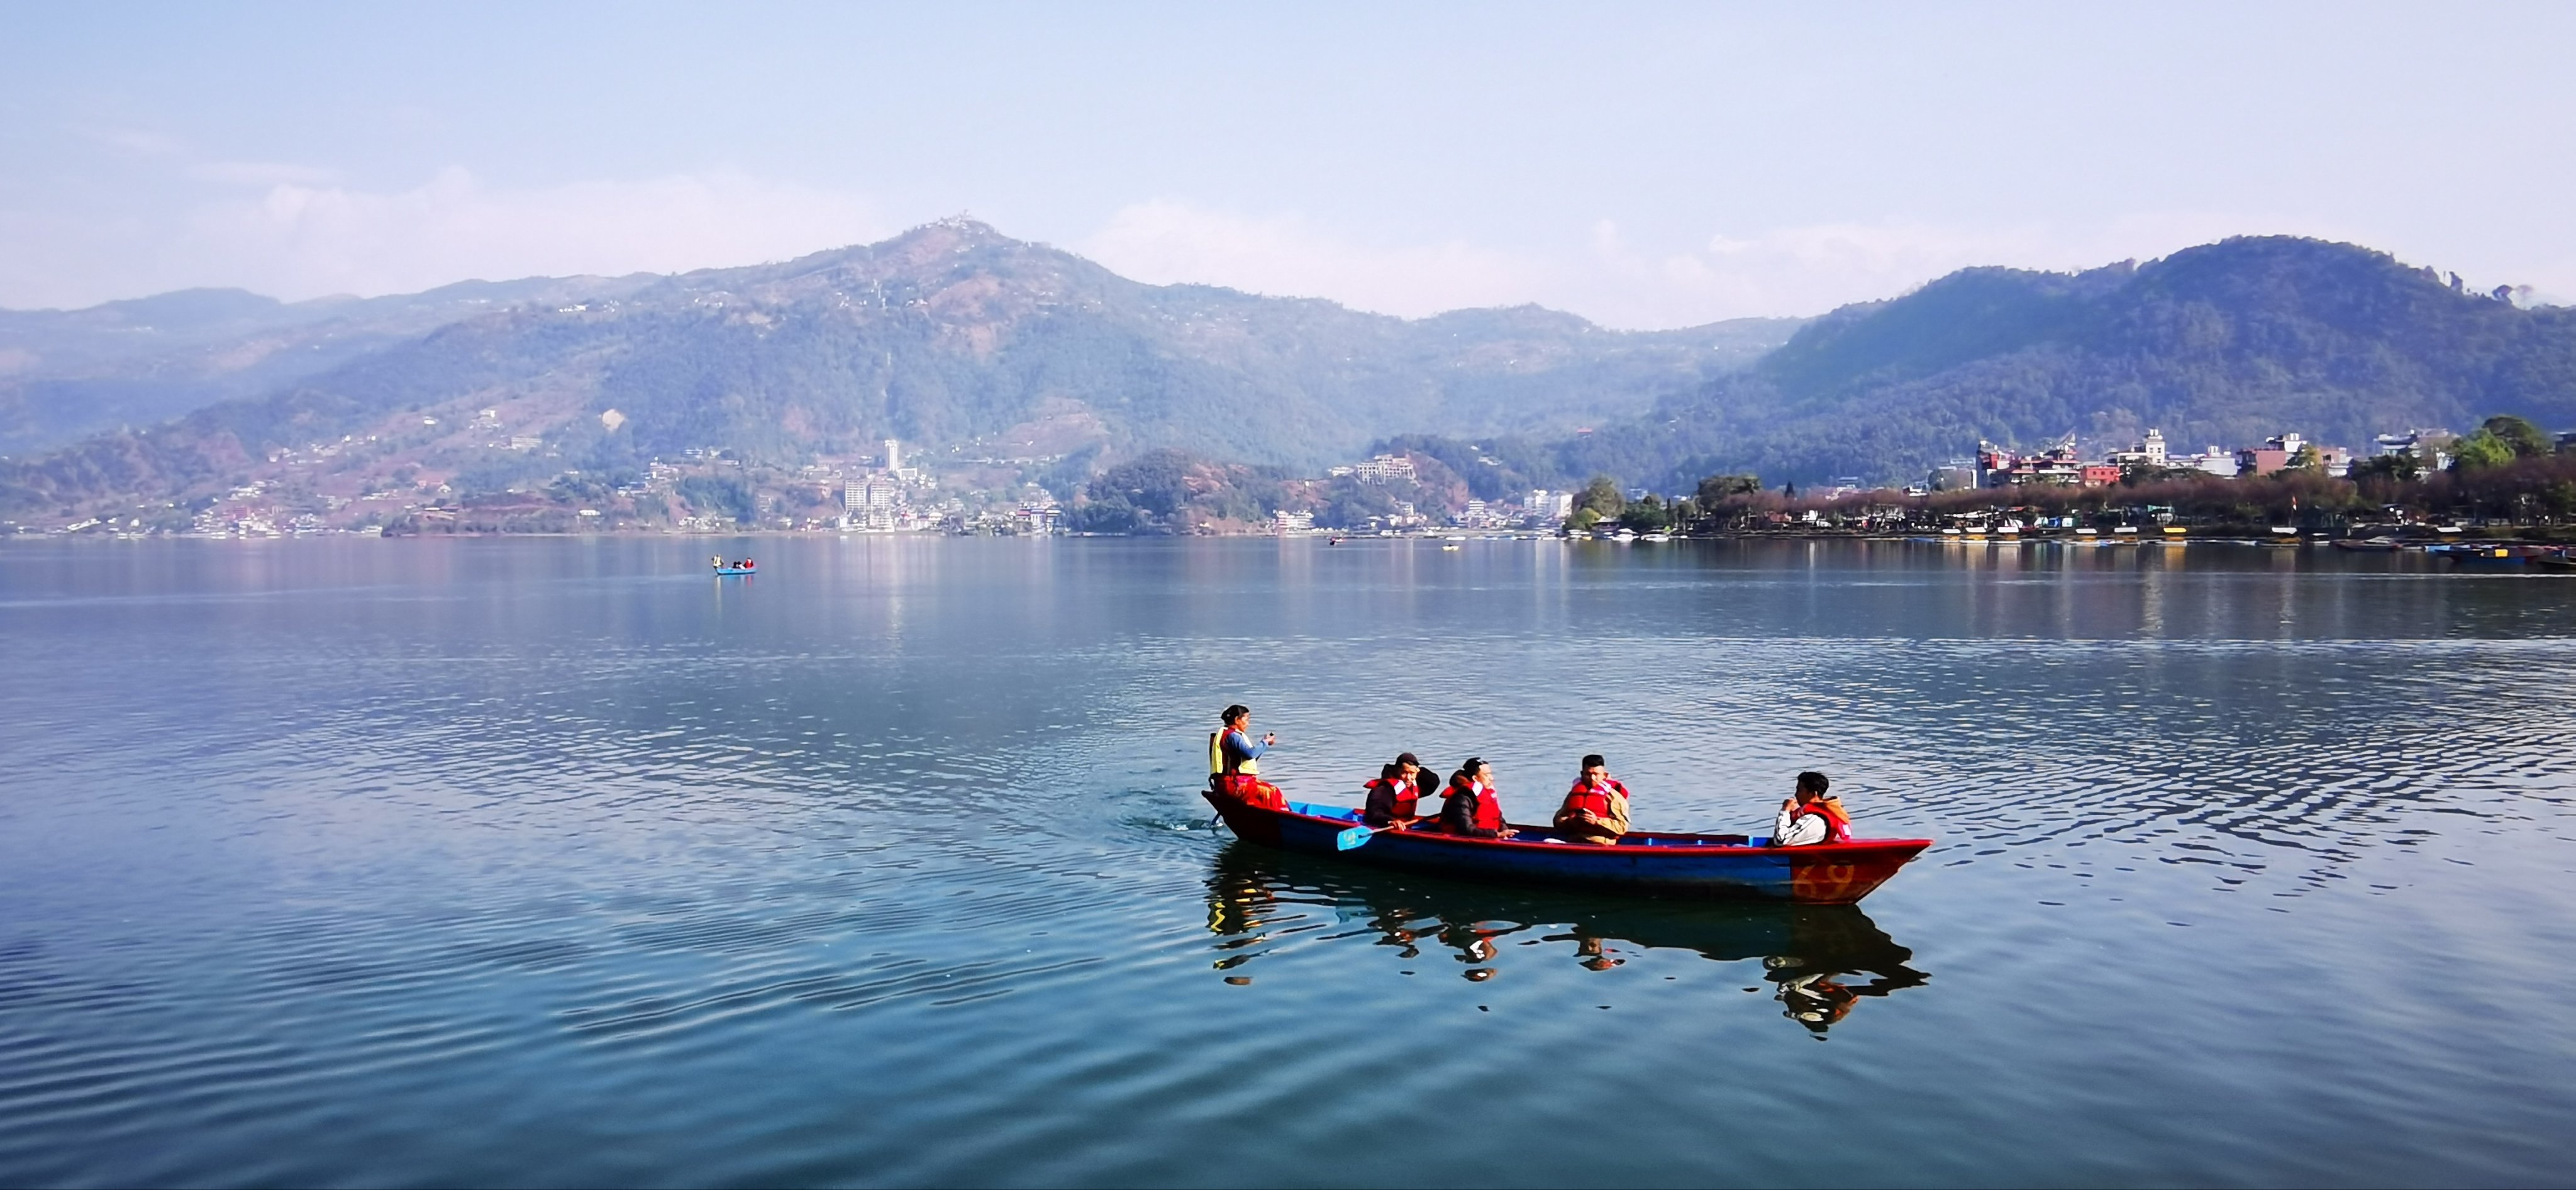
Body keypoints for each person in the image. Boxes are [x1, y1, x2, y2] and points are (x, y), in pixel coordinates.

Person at [1208, 704, 1285, 809]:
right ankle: (1280, 817)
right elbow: (1250, 754)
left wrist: (1264, 745)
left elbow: (1250, 758)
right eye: (1247, 719)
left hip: (1226, 783)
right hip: (1232, 785)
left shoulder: (1228, 734)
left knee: (1271, 790)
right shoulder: (1233, 736)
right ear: (1237, 720)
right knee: (1272, 792)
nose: (1248, 724)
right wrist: (1265, 742)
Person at [1553, 753, 1632, 846]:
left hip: (1601, 844)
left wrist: (1596, 821)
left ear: (1604, 775)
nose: (1592, 779)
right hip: (1575, 841)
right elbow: (1558, 820)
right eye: (1588, 774)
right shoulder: (1574, 794)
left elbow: (1622, 827)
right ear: (1582, 774)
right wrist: (1570, 821)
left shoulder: (1614, 796)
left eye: (1596, 774)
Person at [1769, 771, 1852, 847]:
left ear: (1813, 794)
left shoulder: (1815, 819)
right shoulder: (1813, 815)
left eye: (1799, 790)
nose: (1796, 795)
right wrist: (1791, 814)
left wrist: (1785, 811)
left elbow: (1781, 841)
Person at [1439, 757, 1514, 839]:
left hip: (1490, 836)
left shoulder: (1488, 794)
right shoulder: (1462, 798)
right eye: (1486, 775)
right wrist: (1497, 835)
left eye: (1491, 774)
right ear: (1475, 778)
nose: (1492, 778)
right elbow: (1466, 829)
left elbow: (1499, 819)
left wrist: (1505, 831)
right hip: (1467, 839)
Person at [1362, 754, 1427, 828]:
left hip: (1406, 825)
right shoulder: (1385, 788)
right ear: (1397, 771)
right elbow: (1374, 813)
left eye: (1412, 773)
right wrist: (1390, 821)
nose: (1409, 778)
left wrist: (1419, 769)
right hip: (1384, 826)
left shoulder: (1412, 784)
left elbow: (1433, 782)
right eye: (1404, 773)